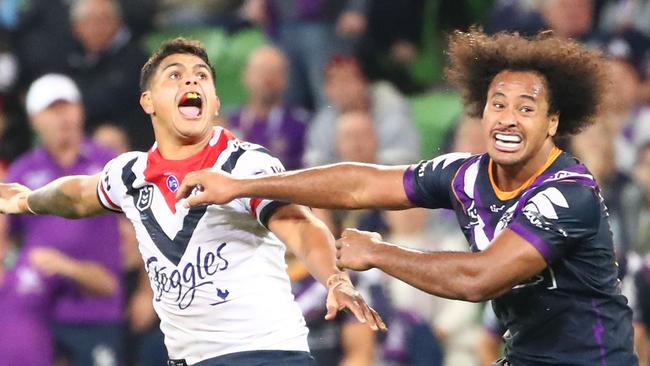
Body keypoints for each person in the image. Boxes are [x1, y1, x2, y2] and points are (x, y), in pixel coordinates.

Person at [174, 29, 638, 365]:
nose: (508, 118)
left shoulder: (568, 193)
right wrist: (242, 186)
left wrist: (381, 253)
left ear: (553, 123)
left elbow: (480, 279)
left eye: (526, 108)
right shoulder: (466, 174)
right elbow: (361, 183)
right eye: (498, 104)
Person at [0, 37, 384, 366]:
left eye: (201, 75)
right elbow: (79, 195)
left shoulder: (245, 164)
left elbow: (299, 224)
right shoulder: (130, 174)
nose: (191, 79)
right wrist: (28, 200)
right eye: (175, 74)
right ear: (148, 101)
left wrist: (333, 277)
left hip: (263, 354)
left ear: (215, 102)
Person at [1, 73, 124, 366]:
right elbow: (4, 230)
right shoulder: (23, 170)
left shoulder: (108, 164)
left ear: (80, 110)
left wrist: (146, 290)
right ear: (34, 120)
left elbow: (144, 226)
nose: (62, 117)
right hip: (37, 309)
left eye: (66, 107)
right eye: (51, 110)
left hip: (97, 305)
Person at [228, 45, 309, 170]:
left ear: (286, 78)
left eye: (274, 72)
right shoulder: (228, 123)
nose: (267, 79)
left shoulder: (301, 124)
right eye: (261, 71)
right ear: (245, 75)